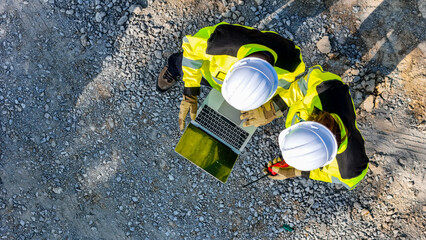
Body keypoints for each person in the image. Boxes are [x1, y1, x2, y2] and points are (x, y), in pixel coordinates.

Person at [157, 22, 306, 130]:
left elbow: (296, 87)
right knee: (182, 63)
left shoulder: (291, 66)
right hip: (209, 73)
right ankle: (173, 65)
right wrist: (190, 88)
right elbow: (191, 49)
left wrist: (275, 107)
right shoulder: (219, 42)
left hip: (220, 79)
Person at [242, 65, 369, 190]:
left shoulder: (351, 168)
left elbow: (332, 177)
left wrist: (298, 171)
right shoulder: (325, 88)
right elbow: (305, 83)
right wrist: (275, 106)